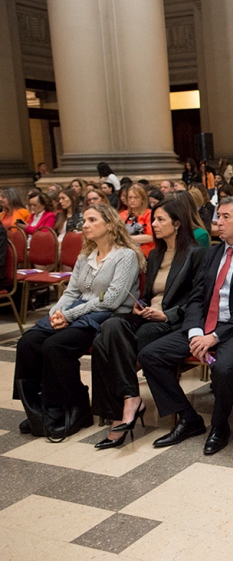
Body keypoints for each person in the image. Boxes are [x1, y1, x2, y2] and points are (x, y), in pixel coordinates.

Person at [137, 197, 233, 455]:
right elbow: (196, 297)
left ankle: (220, 426)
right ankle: (188, 418)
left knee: (224, 368)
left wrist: (214, 336)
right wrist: (195, 331)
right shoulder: (212, 253)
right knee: (151, 355)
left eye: (225, 217)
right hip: (204, 327)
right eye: (217, 216)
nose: (217, 222)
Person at [14, 205, 144, 439]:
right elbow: (71, 291)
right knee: (28, 342)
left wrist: (69, 316)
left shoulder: (126, 255)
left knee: (56, 346)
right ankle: (43, 409)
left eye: (92, 220)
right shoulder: (86, 256)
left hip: (107, 317)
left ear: (110, 224)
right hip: (77, 312)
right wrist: (56, 312)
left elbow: (112, 300)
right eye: (84, 220)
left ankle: (76, 406)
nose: (84, 225)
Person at [91, 200, 205, 448]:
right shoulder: (155, 254)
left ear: (177, 224)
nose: (154, 224)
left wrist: (167, 314)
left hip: (173, 320)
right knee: (108, 329)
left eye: (160, 219)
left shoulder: (196, 254)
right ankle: (131, 397)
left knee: (108, 345)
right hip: (147, 314)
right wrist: (140, 304)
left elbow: (200, 299)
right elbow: (148, 293)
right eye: (153, 219)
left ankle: (118, 413)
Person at [120, 185, 155, 257]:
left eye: (136, 197)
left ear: (143, 199)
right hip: (124, 253)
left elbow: (151, 237)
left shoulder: (149, 214)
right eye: (130, 197)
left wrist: (127, 239)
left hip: (145, 254)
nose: (132, 200)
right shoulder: (121, 215)